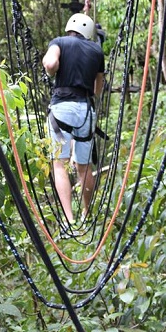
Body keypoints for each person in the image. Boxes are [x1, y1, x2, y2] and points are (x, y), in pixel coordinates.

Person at [42, 13, 105, 223]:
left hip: (61, 110)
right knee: (85, 166)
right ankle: (87, 213)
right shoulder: (97, 51)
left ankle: (69, 219)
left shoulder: (59, 42)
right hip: (85, 110)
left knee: (60, 164)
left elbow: (50, 64)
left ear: (69, 27)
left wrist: (52, 72)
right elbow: (98, 88)